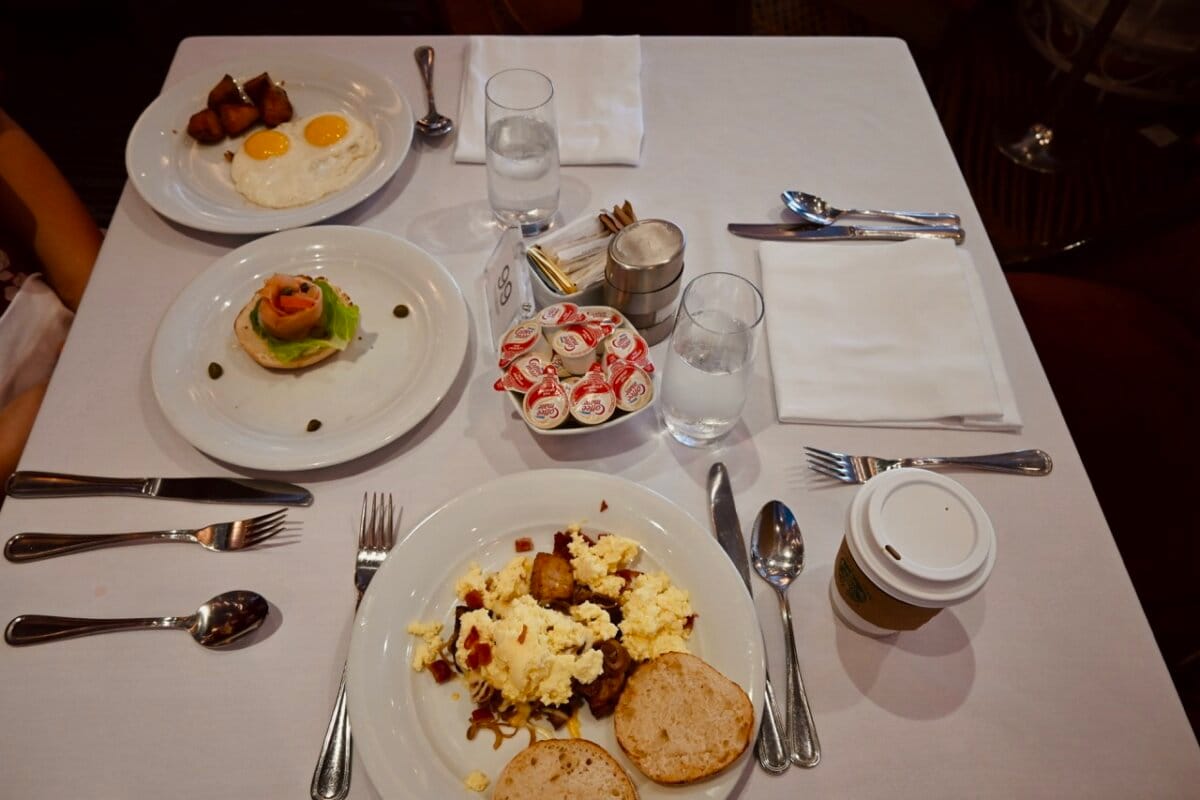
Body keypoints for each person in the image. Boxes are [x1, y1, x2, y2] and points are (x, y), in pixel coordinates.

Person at [0, 107, 102, 486]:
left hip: (87, 344)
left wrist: (104, 330)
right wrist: (54, 399)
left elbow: (87, 274)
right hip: (26, 459)